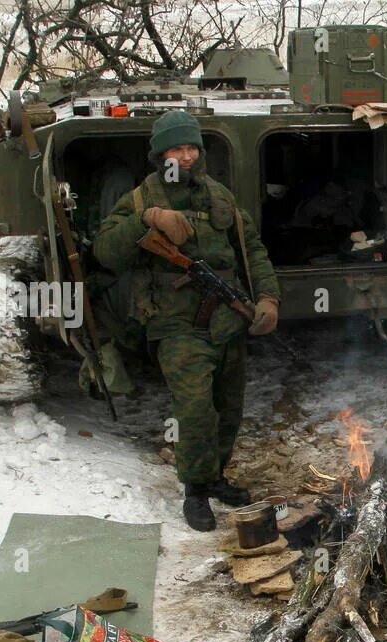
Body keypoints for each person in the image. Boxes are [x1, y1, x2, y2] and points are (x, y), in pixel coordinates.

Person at [94, 110, 281, 531]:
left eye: (192, 147)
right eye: (177, 149)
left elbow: (252, 250)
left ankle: (215, 476)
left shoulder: (220, 197)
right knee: (195, 409)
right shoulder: (140, 199)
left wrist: (268, 297)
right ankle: (195, 490)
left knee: (228, 407)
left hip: (227, 321)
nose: (186, 156)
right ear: (161, 155)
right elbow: (105, 251)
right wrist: (145, 221)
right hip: (176, 324)